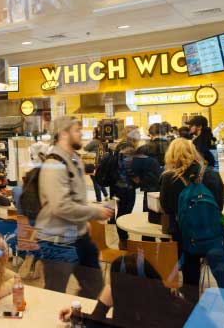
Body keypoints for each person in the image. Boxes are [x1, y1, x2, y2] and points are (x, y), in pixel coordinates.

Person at [36, 116, 113, 298]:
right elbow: (61, 207)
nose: (81, 135)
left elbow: (76, 198)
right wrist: (95, 212)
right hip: (57, 242)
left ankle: (81, 318)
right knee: (55, 295)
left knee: (94, 288)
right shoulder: (54, 164)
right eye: (77, 131)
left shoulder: (73, 159)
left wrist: (83, 220)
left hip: (79, 238)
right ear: (63, 133)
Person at [160, 138, 224, 312]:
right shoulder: (211, 174)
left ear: (170, 155)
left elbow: (166, 208)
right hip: (213, 237)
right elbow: (219, 205)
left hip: (185, 239)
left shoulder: (168, 178)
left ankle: (193, 312)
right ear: (193, 152)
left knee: (190, 280)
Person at [58, 254, 195, 328]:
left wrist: (103, 304)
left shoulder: (133, 318)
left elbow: (99, 323)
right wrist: (77, 316)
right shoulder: (174, 305)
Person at [84, 129, 108, 202]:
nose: (92, 133)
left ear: (96, 134)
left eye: (93, 132)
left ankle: (99, 199)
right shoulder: (103, 142)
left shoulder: (94, 141)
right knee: (99, 180)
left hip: (94, 163)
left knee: (95, 181)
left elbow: (85, 148)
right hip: (101, 163)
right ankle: (106, 195)